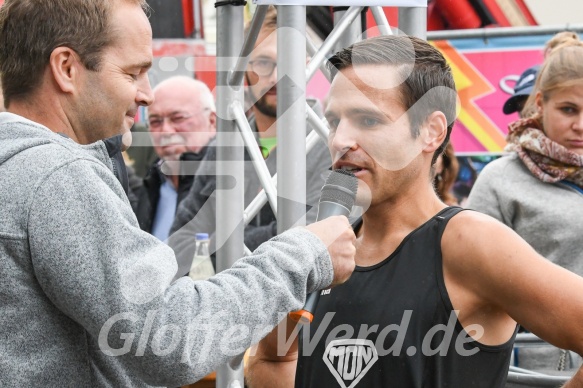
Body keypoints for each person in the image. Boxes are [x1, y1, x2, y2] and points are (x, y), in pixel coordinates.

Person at [0, 0, 358, 386]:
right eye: (133, 72)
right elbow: (174, 336)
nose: (146, 94)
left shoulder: (24, 167)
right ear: (67, 68)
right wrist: (304, 251)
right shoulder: (58, 176)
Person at [247, 35, 583, 388]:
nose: (340, 140)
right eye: (335, 121)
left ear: (430, 131)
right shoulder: (319, 247)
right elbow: (273, 358)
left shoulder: (467, 243)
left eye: (368, 120)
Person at [169, 6, 332, 277]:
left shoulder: (328, 141)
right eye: (264, 63)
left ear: (307, 63)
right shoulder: (226, 145)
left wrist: (218, 243)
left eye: (289, 61)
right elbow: (181, 241)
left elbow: (310, 240)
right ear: (244, 68)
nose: (277, 75)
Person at [467, 33, 583, 371]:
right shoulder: (501, 178)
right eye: (568, 109)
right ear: (541, 103)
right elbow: (467, 280)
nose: (580, 125)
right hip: (533, 368)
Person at [131, 76, 217, 241]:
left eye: (178, 118)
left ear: (211, 121)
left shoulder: (233, 181)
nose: (166, 131)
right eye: (155, 122)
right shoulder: (153, 184)